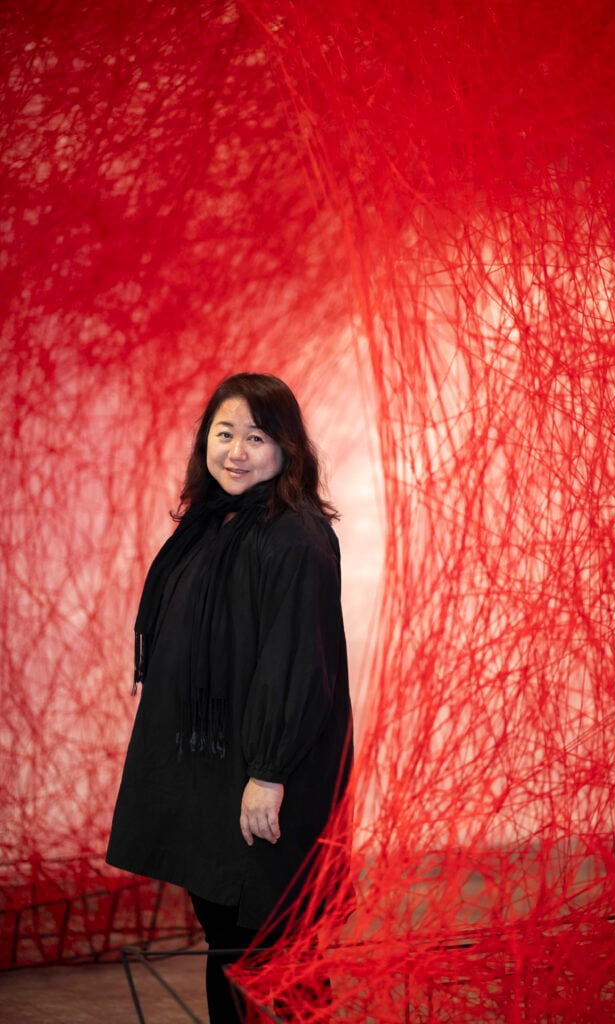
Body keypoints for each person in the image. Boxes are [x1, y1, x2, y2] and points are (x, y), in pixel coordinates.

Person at [106, 372, 353, 1022]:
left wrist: (267, 774)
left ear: (286, 448)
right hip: (213, 777)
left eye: (256, 436)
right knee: (228, 946)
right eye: (225, 433)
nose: (237, 451)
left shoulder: (293, 537)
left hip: (267, 782)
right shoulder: (213, 523)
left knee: (277, 949)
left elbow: (298, 665)